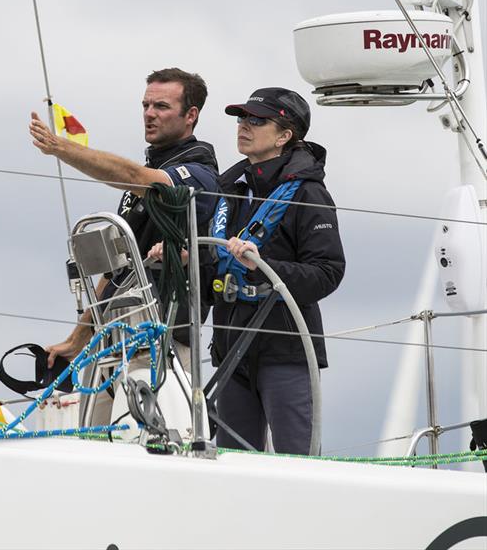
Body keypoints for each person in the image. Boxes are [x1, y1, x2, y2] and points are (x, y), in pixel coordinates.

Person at [29, 67, 218, 369]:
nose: (149, 114)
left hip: (159, 331)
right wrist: (79, 337)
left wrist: (61, 148)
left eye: (161, 106)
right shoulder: (151, 172)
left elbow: (134, 176)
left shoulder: (199, 172)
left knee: (148, 417)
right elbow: (116, 267)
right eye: (146, 105)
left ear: (191, 115)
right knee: (93, 417)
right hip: (113, 330)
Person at [206, 87, 345, 455]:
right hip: (230, 350)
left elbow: (328, 272)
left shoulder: (309, 194)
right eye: (241, 118)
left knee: (297, 464)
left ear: (285, 135)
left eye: (256, 120)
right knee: (234, 467)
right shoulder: (230, 189)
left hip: (285, 349)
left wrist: (264, 267)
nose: (243, 126)